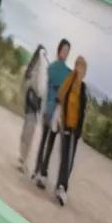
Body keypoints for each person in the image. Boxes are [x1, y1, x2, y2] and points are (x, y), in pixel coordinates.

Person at [33, 38, 70, 188]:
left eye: (67, 51)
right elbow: (45, 89)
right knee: (44, 141)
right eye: (64, 50)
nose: (65, 53)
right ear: (59, 50)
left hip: (58, 113)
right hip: (49, 109)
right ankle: (38, 171)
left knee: (50, 143)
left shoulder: (68, 72)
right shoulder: (52, 68)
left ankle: (42, 172)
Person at [54, 55, 89, 207]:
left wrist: (80, 130)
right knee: (65, 158)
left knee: (70, 159)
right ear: (75, 67)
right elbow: (61, 96)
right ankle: (62, 188)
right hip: (66, 126)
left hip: (76, 130)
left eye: (83, 68)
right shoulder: (69, 81)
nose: (80, 70)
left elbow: (83, 110)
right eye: (79, 66)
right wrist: (61, 119)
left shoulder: (83, 87)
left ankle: (61, 186)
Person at [18, 44, 48, 173]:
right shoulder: (37, 68)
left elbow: (35, 86)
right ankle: (23, 159)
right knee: (28, 132)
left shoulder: (36, 68)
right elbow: (38, 87)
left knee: (27, 131)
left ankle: (23, 158)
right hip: (32, 103)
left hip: (32, 104)